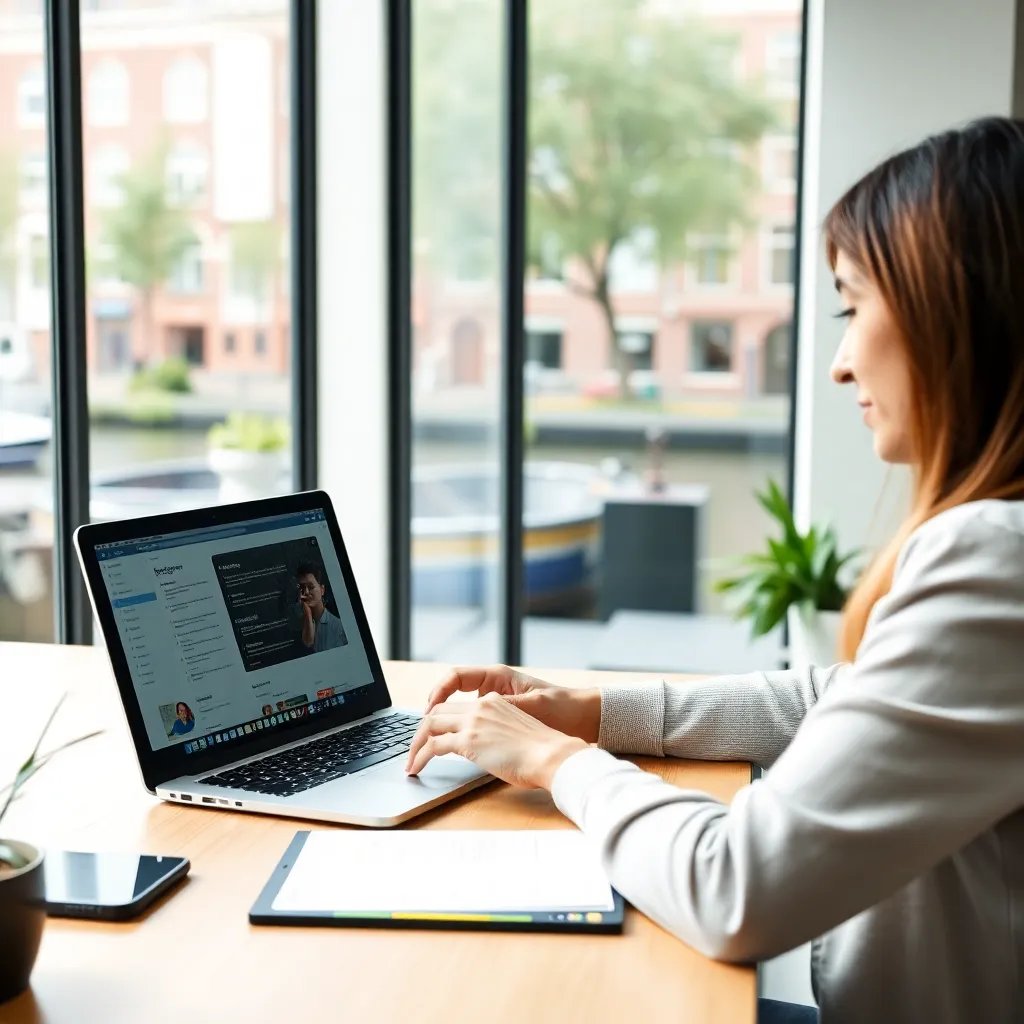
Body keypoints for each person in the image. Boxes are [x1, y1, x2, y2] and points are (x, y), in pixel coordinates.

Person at [405, 117, 1024, 1024]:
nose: (843, 363)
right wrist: (601, 712)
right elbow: (840, 694)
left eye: (854, 307)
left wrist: (556, 760)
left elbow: (735, 887)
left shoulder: (995, 563)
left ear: (952, 312)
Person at [296, 561, 347, 653]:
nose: (306, 592)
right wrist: (307, 613)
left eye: (311, 587)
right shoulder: (298, 624)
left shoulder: (337, 627)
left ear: (322, 590)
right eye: (302, 588)